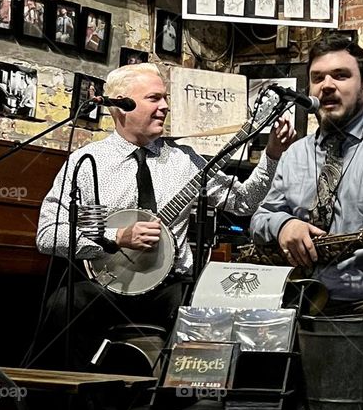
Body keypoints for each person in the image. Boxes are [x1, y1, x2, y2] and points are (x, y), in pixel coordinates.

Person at [35, 63, 296, 371]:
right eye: (154, 98)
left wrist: (272, 155)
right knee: (62, 305)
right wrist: (116, 238)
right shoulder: (87, 161)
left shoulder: (184, 160)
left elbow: (241, 202)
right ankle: (79, 406)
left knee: (203, 305)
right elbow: (47, 233)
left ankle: (172, 404)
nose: (165, 107)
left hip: (172, 288)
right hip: (110, 287)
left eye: (165, 98)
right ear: (121, 104)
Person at [251, 31, 363, 326]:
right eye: (318, 77)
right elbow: (260, 220)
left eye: (340, 75)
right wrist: (284, 225)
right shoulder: (295, 153)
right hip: (298, 302)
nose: (327, 86)